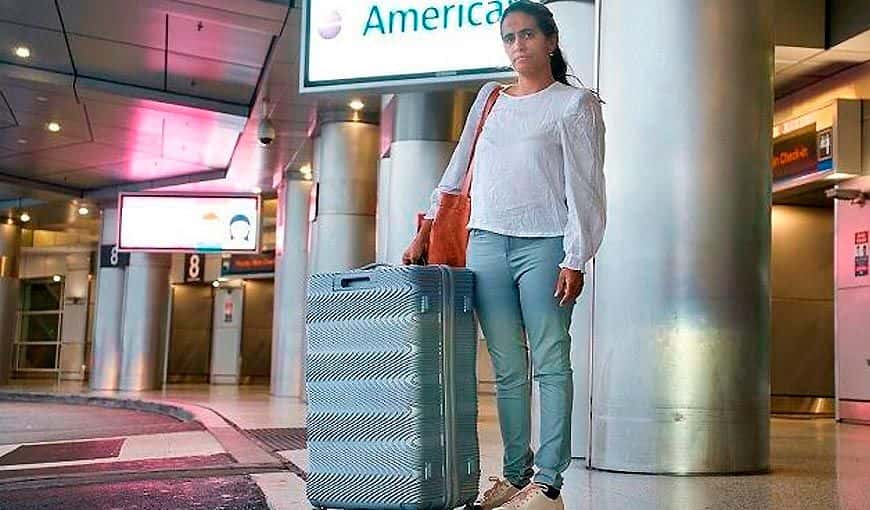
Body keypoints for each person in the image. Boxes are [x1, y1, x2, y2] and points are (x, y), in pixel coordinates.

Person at [402, 2, 606, 509]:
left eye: (528, 35)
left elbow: (586, 187)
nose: (518, 45)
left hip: (546, 245)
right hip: (486, 241)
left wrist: (576, 255)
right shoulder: (490, 98)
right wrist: (427, 225)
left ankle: (548, 484)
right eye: (509, 37)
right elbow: (459, 167)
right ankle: (515, 477)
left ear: (551, 41)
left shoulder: (574, 104)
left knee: (552, 361)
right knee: (509, 368)